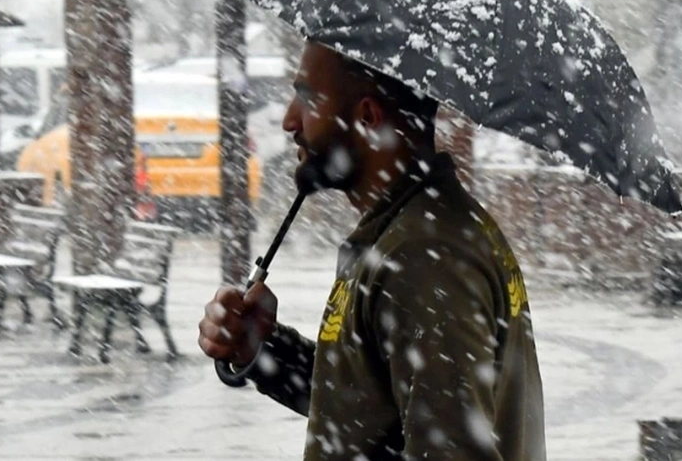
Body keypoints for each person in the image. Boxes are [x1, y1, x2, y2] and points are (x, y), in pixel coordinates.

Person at [198, 42, 546, 461]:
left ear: (367, 117)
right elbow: (371, 413)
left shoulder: (423, 258)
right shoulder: (406, 234)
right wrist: (264, 349)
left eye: (308, 98)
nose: (290, 120)